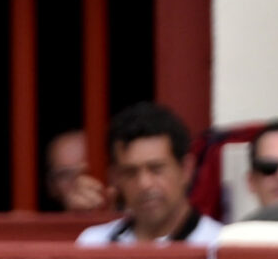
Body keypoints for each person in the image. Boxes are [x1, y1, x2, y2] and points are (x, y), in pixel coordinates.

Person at [75, 102, 222, 247]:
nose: (144, 183)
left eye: (156, 169)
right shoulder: (94, 243)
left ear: (186, 169)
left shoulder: (219, 245)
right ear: (115, 177)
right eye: (130, 172)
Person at [44, 129, 106, 214]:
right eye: (65, 175)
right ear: (50, 184)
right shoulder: (38, 225)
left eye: (86, 172)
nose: (79, 182)